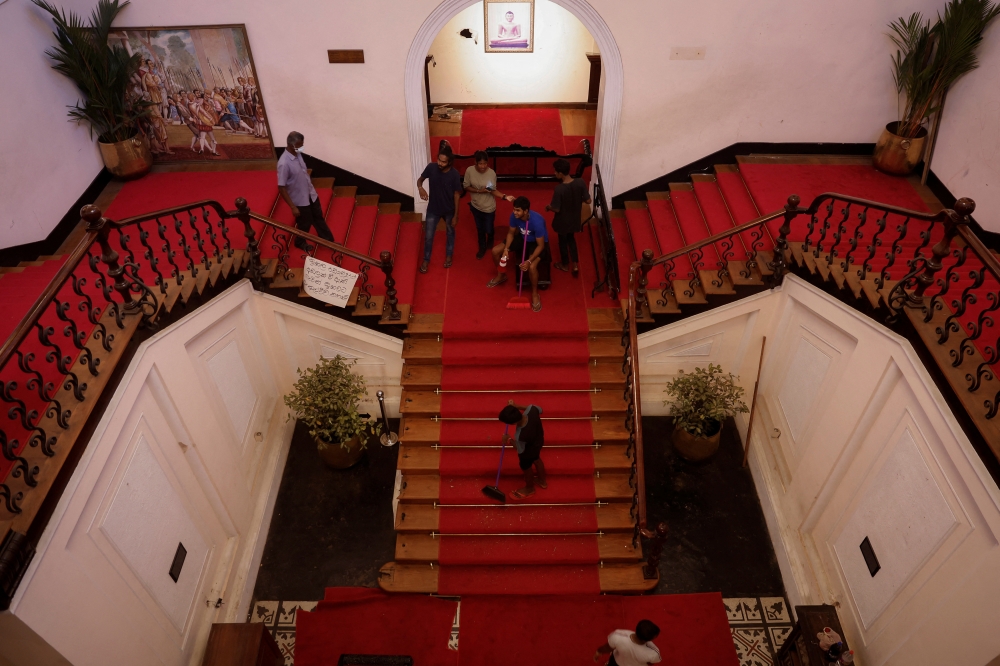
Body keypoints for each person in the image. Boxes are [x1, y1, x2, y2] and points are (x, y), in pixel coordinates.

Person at [489, 195, 550, 312]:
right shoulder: (514, 216)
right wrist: (506, 249)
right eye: (514, 209)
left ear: (526, 211)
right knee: (495, 251)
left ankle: (534, 294)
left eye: (518, 210)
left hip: (536, 244)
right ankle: (501, 275)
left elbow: (541, 245)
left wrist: (528, 260)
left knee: (532, 267)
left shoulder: (537, 222)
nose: (514, 212)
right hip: (522, 238)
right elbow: (511, 233)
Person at [277, 132, 335, 251]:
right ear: (291, 145)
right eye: (300, 145)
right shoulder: (284, 163)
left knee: (318, 217)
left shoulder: (297, 154)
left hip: (310, 194)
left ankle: (328, 241)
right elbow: (281, 187)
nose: (302, 147)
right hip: (299, 200)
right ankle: (300, 241)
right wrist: (293, 207)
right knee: (305, 223)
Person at [417, 149, 464, 273]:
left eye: (443, 162)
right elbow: (420, 180)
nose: (440, 163)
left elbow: (457, 195)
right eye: (439, 160)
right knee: (428, 236)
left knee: (450, 233)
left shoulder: (454, 174)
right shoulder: (431, 168)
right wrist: (420, 188)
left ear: (449, 162)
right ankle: (426, 259)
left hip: (449, 210)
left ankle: (449, 255)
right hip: (433, 209)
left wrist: (455, 215)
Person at [546, 158, 591, 277]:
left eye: (556, 172)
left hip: (562, 221)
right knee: (571, 239)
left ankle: (565, 264)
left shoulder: (559, 189)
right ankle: (575, 264)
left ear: (560, 173)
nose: (555, 174)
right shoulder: (580, 182)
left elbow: (557, 208)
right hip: (575, 219)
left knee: (562, 241)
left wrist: (548, 207)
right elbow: (588, 200)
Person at [463, 150, 510, 259]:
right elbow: (466, 186)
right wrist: (479, 191)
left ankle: (491, 236)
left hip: (489, 207)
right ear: (475, 162)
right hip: (475, 206)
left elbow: (492, 190)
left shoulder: (491, 173)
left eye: (485, 163)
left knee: (488, 228)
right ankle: (482, 247)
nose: (483, 166)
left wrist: (504, 196)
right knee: (480, 229)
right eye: (480, 164)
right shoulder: (469, 171)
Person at [499, 402, 547, 499]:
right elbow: (540, 409)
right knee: (537, 459)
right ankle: (542, 481)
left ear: (513, 423)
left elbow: (519, 448)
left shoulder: (520, 435)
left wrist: (508, 440)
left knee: (526, 467)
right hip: (538, 442)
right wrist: (518, 406)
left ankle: (529, 489)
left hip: (527, 452)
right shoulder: (532, 410)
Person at [593, 620, 661, 666]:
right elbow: (650, 663)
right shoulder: (653, 652)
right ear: (648, 639)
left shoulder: (618, 636)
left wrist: (598, 652)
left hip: (616, 663)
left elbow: (607, 648)